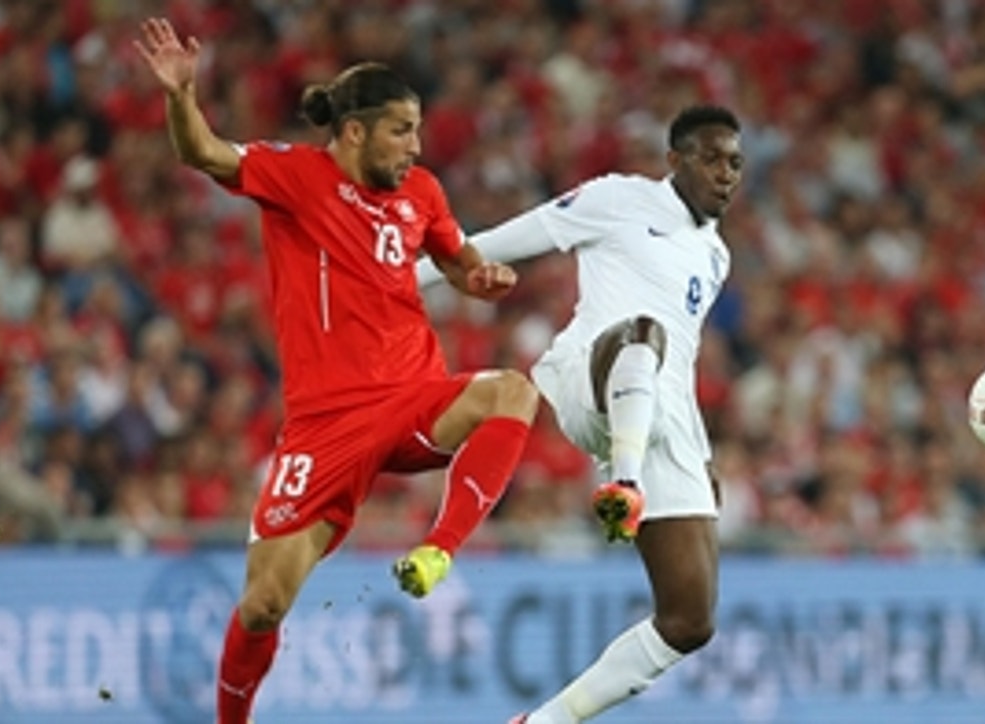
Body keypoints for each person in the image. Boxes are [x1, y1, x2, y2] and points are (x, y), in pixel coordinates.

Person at [134, 18, 539, 724]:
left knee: (513, 391)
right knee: (262, 604)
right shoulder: (295, 176)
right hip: (325, 425)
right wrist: (181, 94)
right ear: (354, 132)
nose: (415, 148)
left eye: (417, 132)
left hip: (412, 398)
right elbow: (199, 151)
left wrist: (481, 277)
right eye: (401, 131)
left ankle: (439, 552)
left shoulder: (424, 193)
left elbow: (455, 257)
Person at [417, 105, 744, 723]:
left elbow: (686, 357)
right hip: (584, 378)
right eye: (710, 158)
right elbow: (500, 240)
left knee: (690, 619)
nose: (725, 173)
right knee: (641, 335)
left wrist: (700, 453)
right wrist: (408, 282)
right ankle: (621, 484)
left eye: (734, 162)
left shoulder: (717, 256)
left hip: (659, 414)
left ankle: (545, 721)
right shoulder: (618, 197)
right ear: (674, 160)